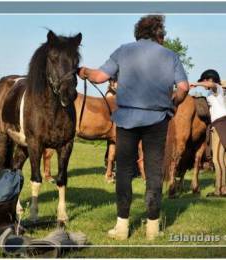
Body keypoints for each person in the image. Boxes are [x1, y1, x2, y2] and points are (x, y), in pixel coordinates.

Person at [78, 15, 189, 240]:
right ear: (159, 35)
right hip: (158, 119)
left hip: (127, 119)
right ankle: (153, 228)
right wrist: (174, 102)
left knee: (124, 172)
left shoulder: (123, 50)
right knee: (154, 172)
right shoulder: (170, 55)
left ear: (138, 33)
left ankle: (121, 227)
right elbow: (184, 87)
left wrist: (84, 72)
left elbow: (99, 77)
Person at [191, 69, 226, 197]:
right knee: (220, 159)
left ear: (209, 79)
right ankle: (222, 188)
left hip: (220, 124)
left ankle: (220, 190)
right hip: (219, 124)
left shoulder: (216, 88)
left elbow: (211, 84)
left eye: (204, 80)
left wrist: (196, 84)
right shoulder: (213, 92)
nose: (204, 83)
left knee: (217, 159)